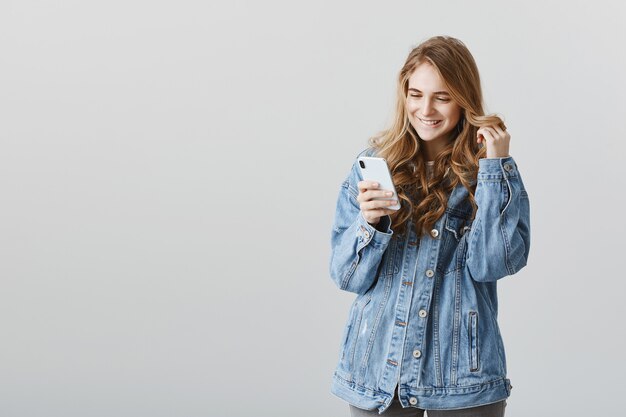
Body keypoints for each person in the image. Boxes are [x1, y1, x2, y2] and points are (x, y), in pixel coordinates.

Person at [328, 35, 531, 417]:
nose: (425, 109)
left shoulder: (488, 173)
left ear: (463, 98)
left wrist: (494, 166)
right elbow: (345, 276)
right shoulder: (374, 164)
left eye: (442, 96)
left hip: (462, 377)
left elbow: (493, 264)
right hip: (376, 374)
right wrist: (370, 225)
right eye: (416, 94)